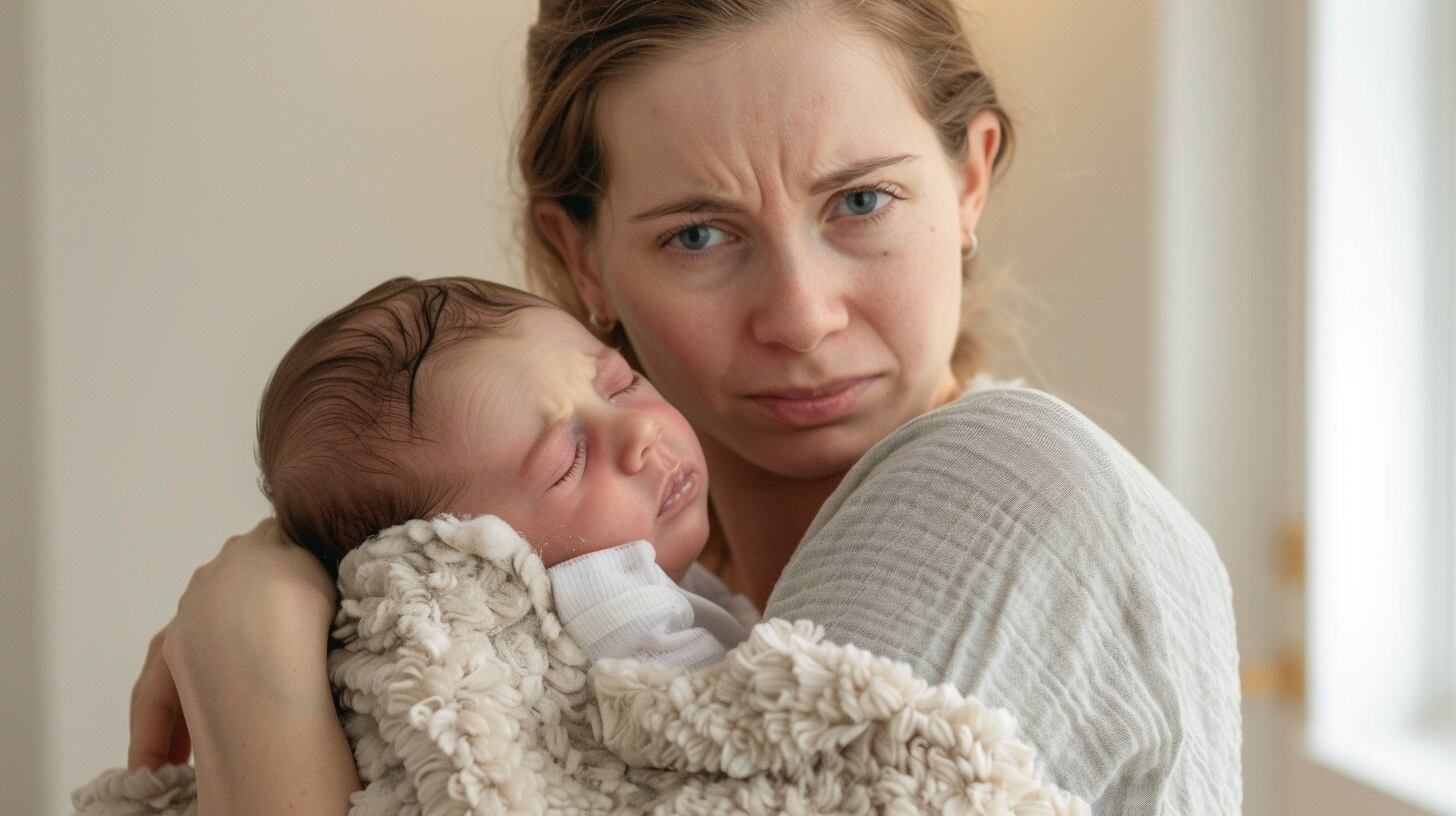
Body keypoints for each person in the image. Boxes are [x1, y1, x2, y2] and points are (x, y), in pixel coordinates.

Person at [128, 2, 1243, 814]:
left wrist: (262, 682)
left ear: (967, 180)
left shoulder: (1007, 483)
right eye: (698, 234)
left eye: (860, 200)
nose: (800, 317)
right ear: (584, 258)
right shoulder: (586, 607)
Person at [257, 275, 752, 670]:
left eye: (622, 385)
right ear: (465, 563)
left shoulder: (663, 574)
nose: (641, 428)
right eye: (567, 464)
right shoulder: (615, 617)